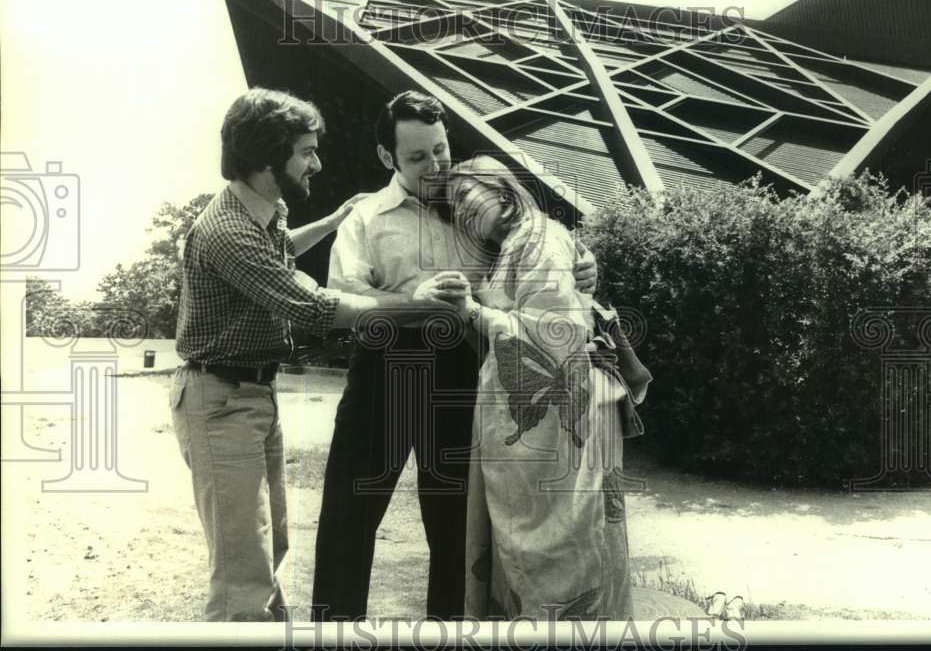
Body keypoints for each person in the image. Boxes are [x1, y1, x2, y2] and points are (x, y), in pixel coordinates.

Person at [169, 88, 456, 622]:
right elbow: (315, 305)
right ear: (265, 159)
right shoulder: (230, 232)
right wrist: (418, 305)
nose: (317, 164)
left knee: (268, 550)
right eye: (306, 152)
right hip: (220, 399)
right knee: (243, 573)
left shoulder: (262, 209)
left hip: (250, 394)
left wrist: (329, 221)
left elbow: (278, 251)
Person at [312, 91, 596, 620]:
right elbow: (341, 303)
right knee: (349, 516)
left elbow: (532, 249)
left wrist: (583, 267)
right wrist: (411, 299)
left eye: (440, 149)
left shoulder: (474, 203)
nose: (435, 166)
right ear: (387, 157)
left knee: (457, 530)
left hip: (462, 368)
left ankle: (449, 632)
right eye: (417, 157)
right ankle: (333, 634)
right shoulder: (366, 217)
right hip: (384, 367)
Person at [428, 155, 635, 620]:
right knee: (538, 551)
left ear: (502, 189)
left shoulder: (540, 238)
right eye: (453, 206)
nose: (460, 210)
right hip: (541, 426)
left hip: (561, 427)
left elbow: (556, 332)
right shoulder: (514, 244)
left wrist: (473, 311)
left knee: (565, 547)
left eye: (466, 194)